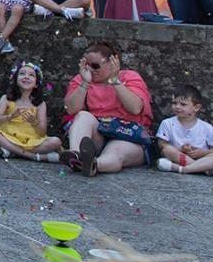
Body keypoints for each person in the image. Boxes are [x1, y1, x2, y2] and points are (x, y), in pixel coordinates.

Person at [63, 41, 153, 176]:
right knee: (83, 116)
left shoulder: (129, 77)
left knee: (116, 150)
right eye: (87, 65)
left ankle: (93, 165)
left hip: (129, 136)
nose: (90, 70)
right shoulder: (82, 78)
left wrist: (115, 81)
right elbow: (71, 109)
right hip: (100, 132)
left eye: (95, 66)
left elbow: (135, 108)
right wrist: (85, 83)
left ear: (112, 62)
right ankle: (76, 156)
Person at [0, 61, 62, 162]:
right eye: (22, 73)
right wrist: (10, 116)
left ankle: (12, 151)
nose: (26, 77)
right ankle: (32, 156)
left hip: (32, 140)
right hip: (9, 136)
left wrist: (34, 122)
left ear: (36, 84)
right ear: (15, 80)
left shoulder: (40, 104)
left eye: (31, 75)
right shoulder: (6, 99)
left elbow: (42, 132)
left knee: (56, 142)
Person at [156, 85, 213, 177]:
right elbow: (161, 144)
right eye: (174, 103)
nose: (177, 107)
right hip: (179, 157)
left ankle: (181, 169)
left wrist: (203, 152)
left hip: (202, 159)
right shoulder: (167, 123)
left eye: (183, 104)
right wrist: (180, 149)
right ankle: (206, 170)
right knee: (167, 150)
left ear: (196, 107)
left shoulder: (206, 127)